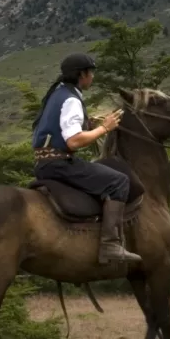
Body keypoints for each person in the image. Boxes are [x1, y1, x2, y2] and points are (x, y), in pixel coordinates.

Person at [31, 52, 142, 265]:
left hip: (43, 163)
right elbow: (73, 142)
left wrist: (87, 124)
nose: (92, 77)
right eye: (91, 73)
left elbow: (59, 129)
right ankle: (110, 244)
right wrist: (104, 128)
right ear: (82, 74)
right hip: (60, 164)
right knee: (118, 181)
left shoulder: (57, 92)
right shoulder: (71, 99)